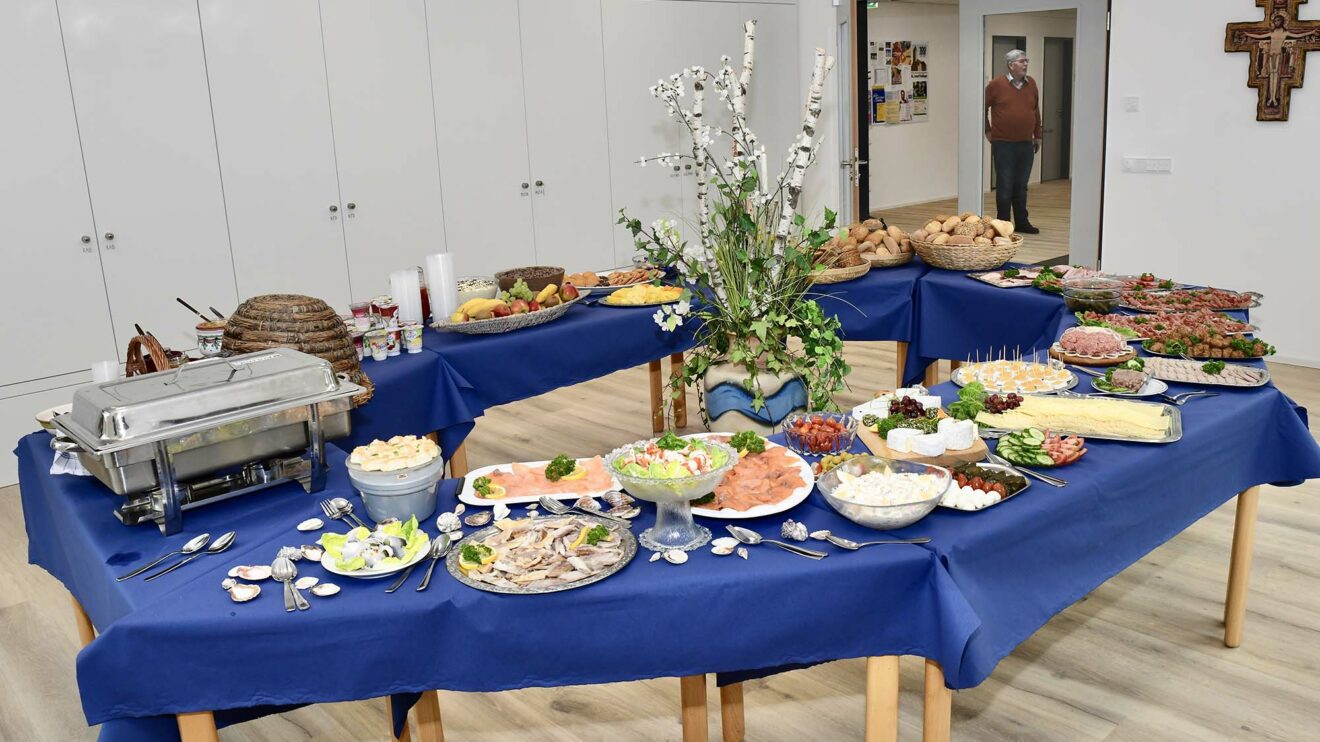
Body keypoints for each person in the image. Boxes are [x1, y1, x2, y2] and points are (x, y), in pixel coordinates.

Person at [984, 49, 1042, 234]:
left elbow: (1035, 110)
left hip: (1025, 143)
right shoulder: (996, 85)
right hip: (1003, 143)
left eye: (1026, 61)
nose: (1026, 64)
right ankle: (1003, 224)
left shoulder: (1031, 83)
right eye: (1022, 61)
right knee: (1005, 184)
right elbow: (981, 108)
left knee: (1021, 185)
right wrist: (987, 130)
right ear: (1011, 65)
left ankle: (1022, 222)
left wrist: (1038, 134)